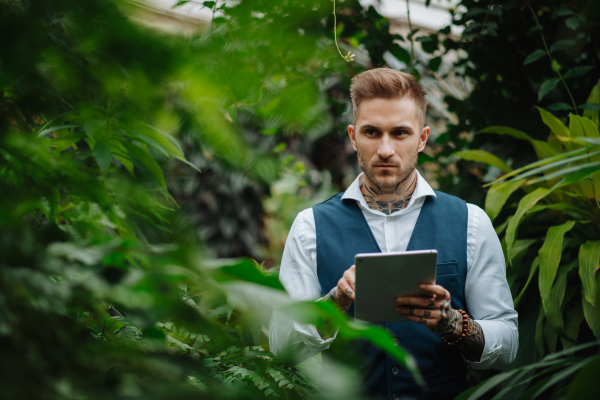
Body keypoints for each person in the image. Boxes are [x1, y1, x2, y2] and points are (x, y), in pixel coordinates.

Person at [269, 68, 518, 400]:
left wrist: (453, 324)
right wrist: (334, 303)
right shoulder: (310, 226)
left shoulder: (471, 222)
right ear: (353, 136)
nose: (385, 149)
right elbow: (282, 346)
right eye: (372, 132)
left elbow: (508, 344)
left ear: (423, 138)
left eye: (400, 133)